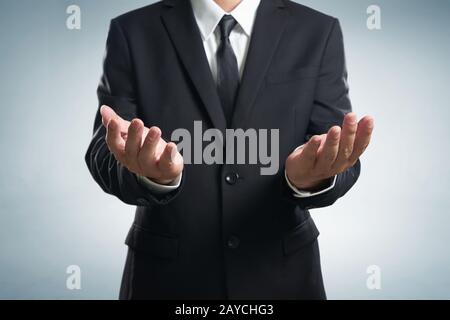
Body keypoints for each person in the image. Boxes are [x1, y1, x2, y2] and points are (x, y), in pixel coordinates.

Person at [85, 0, 374, 300]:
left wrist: (307, 179)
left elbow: (338, 150)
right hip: (167, 281)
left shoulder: (318, 31)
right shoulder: (132, 31)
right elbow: (103, 152)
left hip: (283, 278)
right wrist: (151, 176)